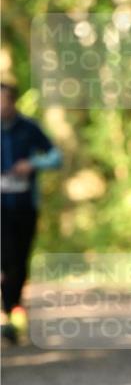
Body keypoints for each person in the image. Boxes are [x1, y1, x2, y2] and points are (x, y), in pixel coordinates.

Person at [1, 81, 63, 343]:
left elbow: (56, 157)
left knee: (19, 261)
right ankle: (6, 314)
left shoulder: (29, 129)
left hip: (26, 205)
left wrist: (33, 163)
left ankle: (13, 310)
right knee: (5, 258)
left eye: (4, 101)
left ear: (13, 102)